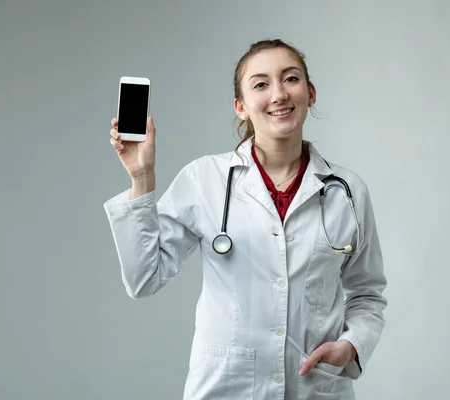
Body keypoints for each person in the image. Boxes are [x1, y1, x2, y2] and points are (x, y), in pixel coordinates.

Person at [103, 39, 387, 400]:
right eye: (261, 84)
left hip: (314, 387)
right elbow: (143, 280)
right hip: (226, 387)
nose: (279, 94)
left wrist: (350, 346)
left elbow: (367, 293)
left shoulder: (347, 190)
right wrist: (141, 179)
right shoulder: (204, 179)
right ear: (241, 107)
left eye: (291, 79)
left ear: (310, 92)